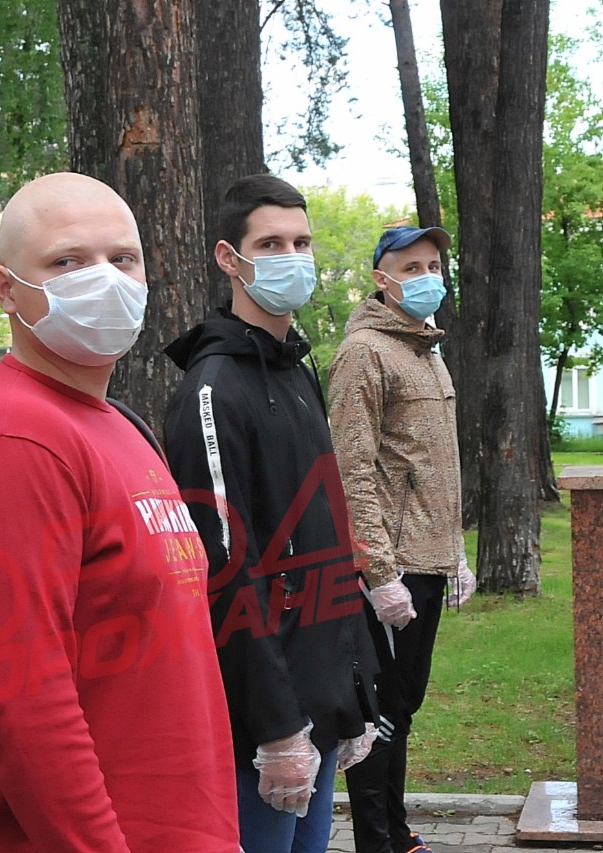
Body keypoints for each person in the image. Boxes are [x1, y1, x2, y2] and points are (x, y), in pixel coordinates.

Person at [0, 172, 239, 852]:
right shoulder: (13, 439)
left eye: (122, 258)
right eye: (67, 261)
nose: (104, 279)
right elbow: (26, 707)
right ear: (6, 288)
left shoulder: (115, 424)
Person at [161, 173, 378, 853]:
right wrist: (277, 729)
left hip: (320, 702)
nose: (293, 257)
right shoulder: (213, 389)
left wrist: (356, 691)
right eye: (271, 243)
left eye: (302, 242)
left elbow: (327, 537)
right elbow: (224, 570)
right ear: (229, 258)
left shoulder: (297, 371)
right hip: (263, 723)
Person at [328, 225, 474, 853]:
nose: (426, 278)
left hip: (430, 559)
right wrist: (378, 571)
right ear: (381, 279)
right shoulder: (365, 352)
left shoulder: (427, 350)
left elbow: (436, 465)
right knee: (381, 709)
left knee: (403, 705)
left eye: (433, 265)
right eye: (410, 268)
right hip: (392, 564)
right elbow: (352, 468)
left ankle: (396, 831)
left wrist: (456, 553)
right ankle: (377, 840)